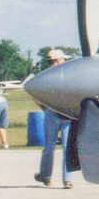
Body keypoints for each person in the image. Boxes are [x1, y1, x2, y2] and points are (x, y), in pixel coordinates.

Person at [35, 49, 75, 188]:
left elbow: (35, 95)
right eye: (63, 59)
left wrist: (45, 109)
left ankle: (46, 176)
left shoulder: (44, 75)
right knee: (66, 147)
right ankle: (67, 180)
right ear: (58, 60)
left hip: (51, 113)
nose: (64, 61)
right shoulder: (69, 75)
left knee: (49, 147)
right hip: (67, 114)